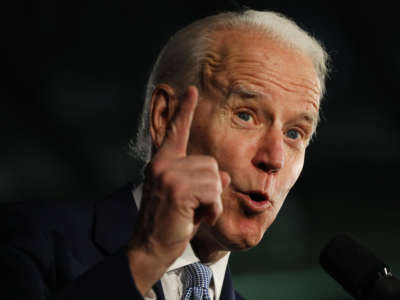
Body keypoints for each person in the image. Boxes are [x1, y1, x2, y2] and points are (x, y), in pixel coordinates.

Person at [0, 9, 329, 300]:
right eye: (245, 115)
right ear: (165, 117)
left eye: (294, 133)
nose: (274, 158)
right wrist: (147, 257)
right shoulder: (27, 241)